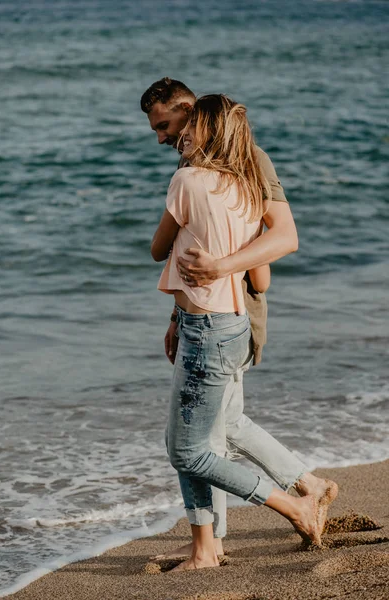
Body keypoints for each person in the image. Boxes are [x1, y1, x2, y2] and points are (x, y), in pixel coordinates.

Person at [142, 79, 338, 564]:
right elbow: (195, 244)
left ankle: (251, 523)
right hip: (206, 312)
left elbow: (284, 237)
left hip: (230, 313)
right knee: (219, 428)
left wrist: (219, 268)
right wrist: (176, 313)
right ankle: (290, 495)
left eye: (166, 126)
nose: (162, 138)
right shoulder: (198, 166)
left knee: (201, 440)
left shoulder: (250, 161)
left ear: (192, 114)